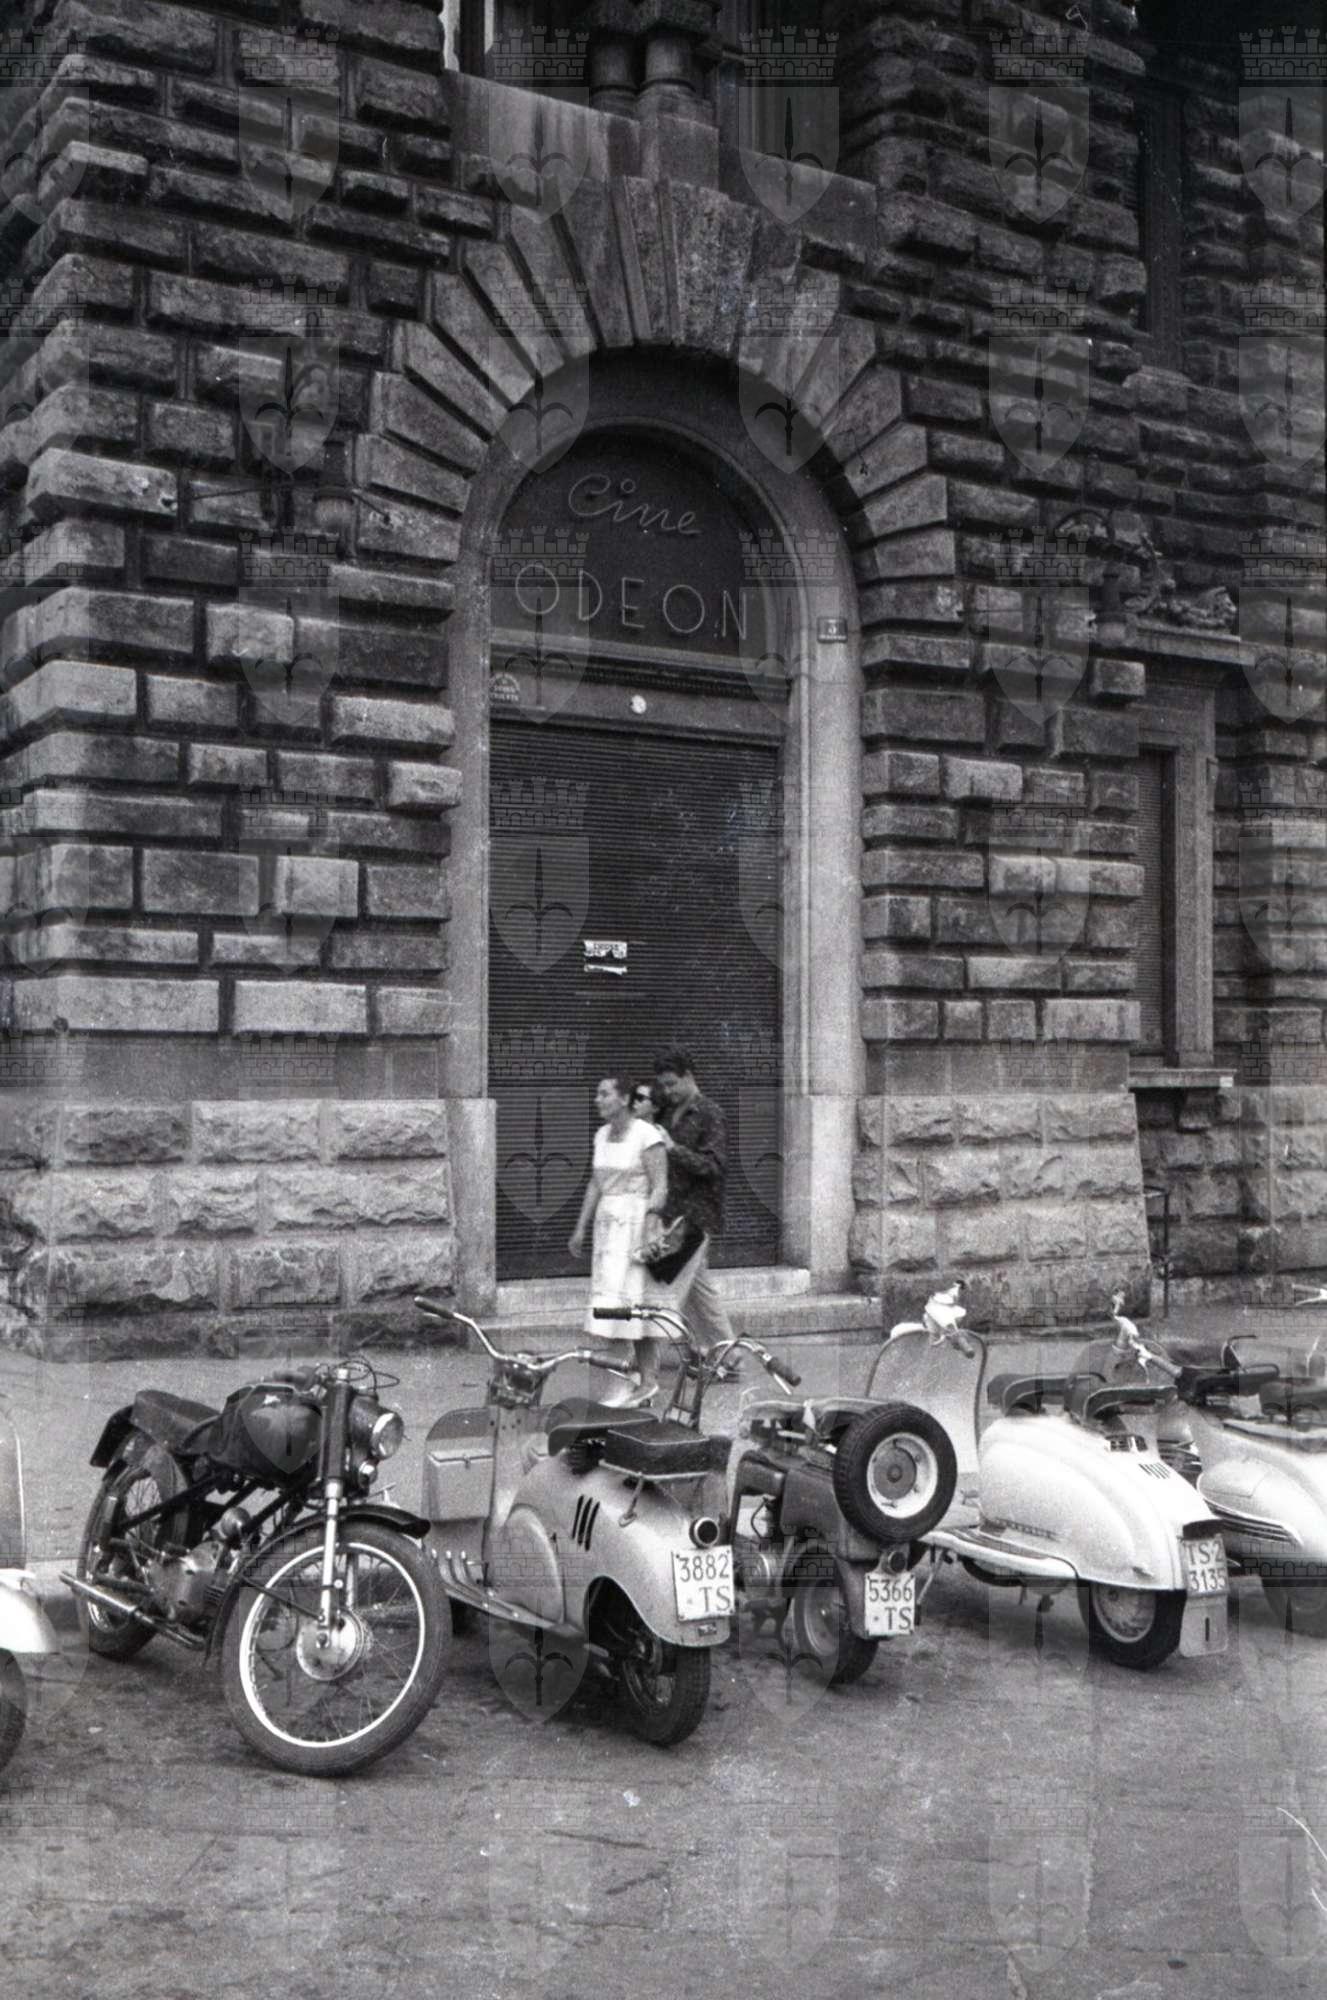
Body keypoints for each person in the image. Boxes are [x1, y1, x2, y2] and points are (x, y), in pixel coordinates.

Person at [567, 1075, 667, 1405]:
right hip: (607, 1229)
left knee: (634, 1306)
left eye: (604, 1093)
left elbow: (660, 1186)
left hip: (636, 1227)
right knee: (612, 1308)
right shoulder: (600, 1135)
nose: (598, 1099)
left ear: (624, 1099)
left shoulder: (646, 1134)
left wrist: (650, 1228)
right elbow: (596, 1183)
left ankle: (646, 1381)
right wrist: (580, 1227)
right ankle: (628, 1383)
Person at [651, 1049, 740, 1373]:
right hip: (672, 1214)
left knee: (672, 1287)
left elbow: (714, 1166)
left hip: (696, 1215)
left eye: (672, 1084)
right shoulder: (666, 1113)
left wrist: (674, 1149)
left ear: (689, 1076)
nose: (668, 1091)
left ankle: (650, 1359)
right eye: (664, 1085)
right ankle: (723, 1355)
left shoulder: (710, 1114)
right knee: (697, 1289)